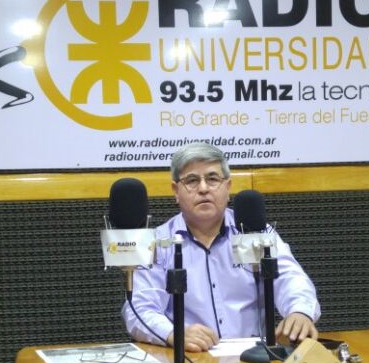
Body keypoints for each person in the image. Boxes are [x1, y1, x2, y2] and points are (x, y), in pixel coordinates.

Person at [123, 142, 321, 352]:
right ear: (176, 191)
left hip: (255, 357)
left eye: (212, 179)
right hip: (190, 359)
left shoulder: (255, 232)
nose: (203, 188)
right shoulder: (158, 242)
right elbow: (138, 310)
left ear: (228, 187)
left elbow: (292, 278)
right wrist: (172, 333)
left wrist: (300, 311)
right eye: (192, 180)